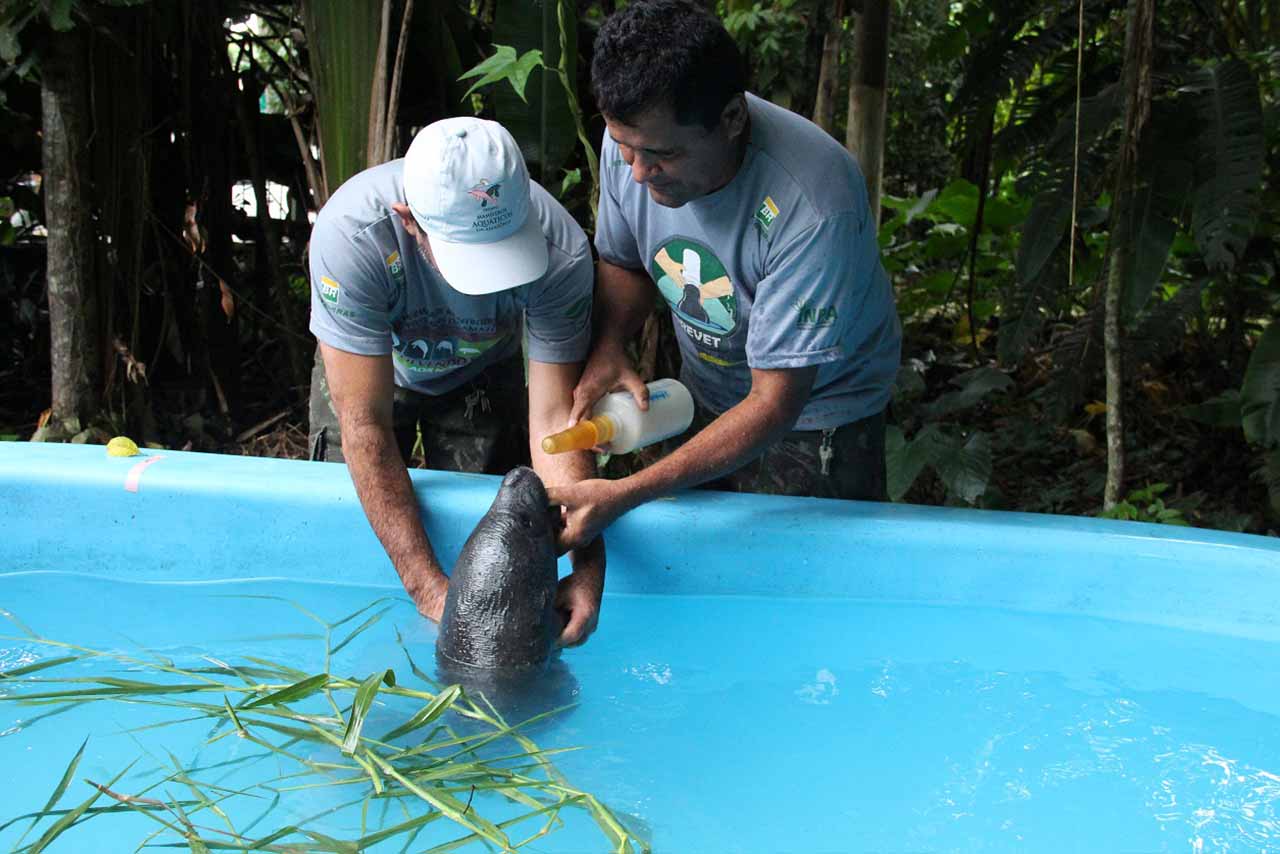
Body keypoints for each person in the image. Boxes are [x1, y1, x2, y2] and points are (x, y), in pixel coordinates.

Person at [548, 0, 902, 551]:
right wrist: (612, 344)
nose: (638, 173)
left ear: (733, 119)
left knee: (802, 573)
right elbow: (624, 261)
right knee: (698, 553)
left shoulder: (813, 203)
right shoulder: (635, 141)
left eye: (661, 155)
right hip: (705, 389)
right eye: (624, 148)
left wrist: (629, 491)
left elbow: (774, 403)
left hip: (817, 414)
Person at [308, 117, 603, 646]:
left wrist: (586, 565)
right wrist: (431, 592)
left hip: (482, 369)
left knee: (497, 515)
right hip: (371, 370)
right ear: (409, 219)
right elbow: (365, 425)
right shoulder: (352, 236)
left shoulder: (561, 252)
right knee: (345, 517)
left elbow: (556, 420)